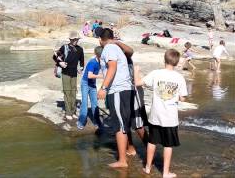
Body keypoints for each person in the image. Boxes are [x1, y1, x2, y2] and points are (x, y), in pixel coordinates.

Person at [134, 49, 188, 178]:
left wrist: (136, 71)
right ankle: (165, 173)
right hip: (170, 118)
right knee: (168, 145)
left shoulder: (156, 73)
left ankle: (147, 168)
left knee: (152, 142)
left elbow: (137, 83)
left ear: (164, 60)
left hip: (155, 116)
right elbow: (183, 98)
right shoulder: (179, 77)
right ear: (176, 62)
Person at [97, 28, 133, 168]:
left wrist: (104, 88)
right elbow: (131, 51)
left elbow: (112, 67)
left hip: (117, 90)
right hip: (124, 90)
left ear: (100, 39)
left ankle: (122, 161)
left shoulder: (109, 48)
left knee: (119, 125)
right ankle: (128, 152)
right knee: (122, 123)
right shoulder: (116, 47)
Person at [53, 31, 84, 120]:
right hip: (65, 73)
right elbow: (55, 57)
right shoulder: (64, 47)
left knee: (74, 92)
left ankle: (73, 111)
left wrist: (81, 68)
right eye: (73, 39)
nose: (75, 41)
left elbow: (82, 61)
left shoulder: (80, 49)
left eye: (76, 39)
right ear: (70, 39)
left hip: (74, 74)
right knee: (67, 92)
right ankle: (68, 112)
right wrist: (61, 62)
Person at [77, 46, 103, 130]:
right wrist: (101, 76)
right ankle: (81, 121)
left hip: (92, 84)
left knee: (95, 103)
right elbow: (90, 75)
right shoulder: (92, 62)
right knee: (84, 103)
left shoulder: (101, 61)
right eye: (101, 56)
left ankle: (96, 121)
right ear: (97, 55)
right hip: (85, 83)